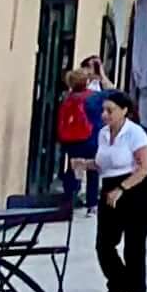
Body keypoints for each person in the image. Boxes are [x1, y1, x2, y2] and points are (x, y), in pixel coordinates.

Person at [90, 89, 147, 292]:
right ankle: (119, 283)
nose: (105, 115)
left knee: (134, 245)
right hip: (109, 187)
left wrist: (122, 188)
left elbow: (145, 167)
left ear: (124, 111)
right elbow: (103, 162)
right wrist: (84, 163)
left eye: (110, 110)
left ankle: (138, 290)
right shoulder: (103, 134)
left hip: (136, 189)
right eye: (104, 111)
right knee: (104, 244)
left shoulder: (135, 133)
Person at [52, 61, 101, 211]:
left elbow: (62, 120)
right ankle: (92, 204)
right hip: (90, 138)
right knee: (92, 170)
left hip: (72, 140)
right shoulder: (94, 97)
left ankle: (69, 198)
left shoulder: (67, 99)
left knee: (73, 168)